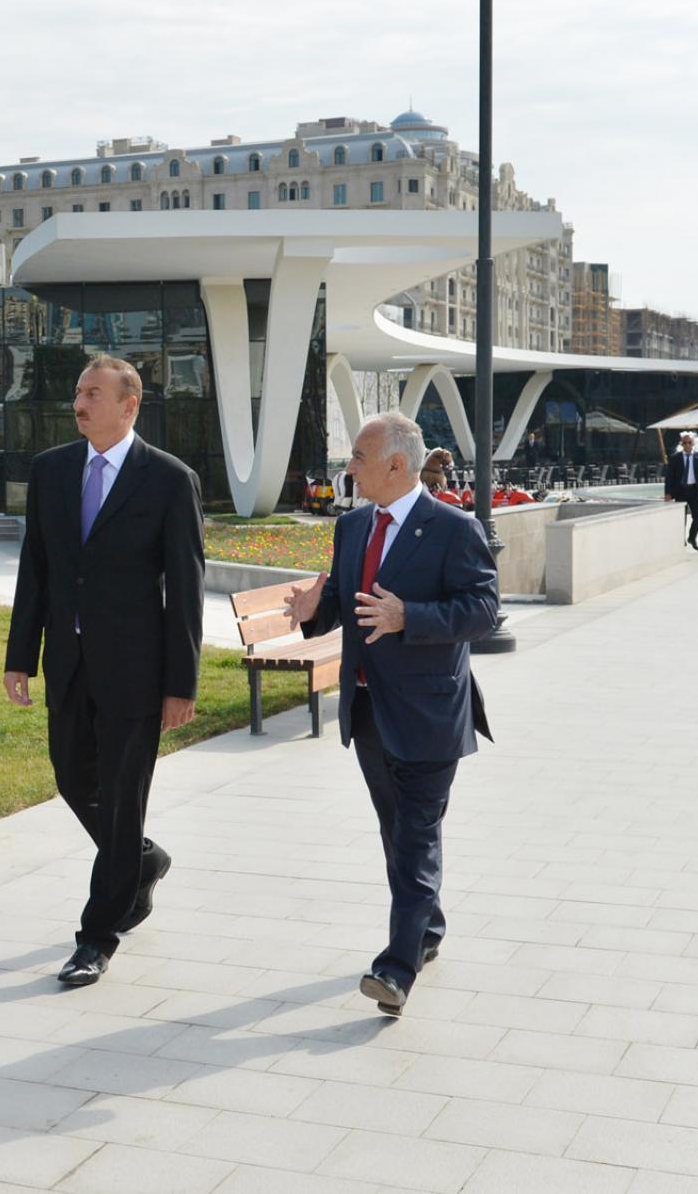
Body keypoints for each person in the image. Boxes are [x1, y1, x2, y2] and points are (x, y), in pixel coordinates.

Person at [285, 413, 498, 1015]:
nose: (347, 468)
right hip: (369, 709)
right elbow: (341, 602)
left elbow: (483, 609)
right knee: (395, 830)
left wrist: (414, 617)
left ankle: (396, 967)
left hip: (430, 712)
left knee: (414, 837)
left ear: (396, 466)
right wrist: (310, 608)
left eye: (356, 456)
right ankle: (425, 929)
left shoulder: (454, 528)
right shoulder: (353, 526)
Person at [4, 354, 205, 988]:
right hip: (68, 662)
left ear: (129, 405)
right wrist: (19, 656)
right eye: (77, 392)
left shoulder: (170, 480)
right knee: (71, 777)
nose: (80, 403)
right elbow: (35, 569)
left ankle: (97, 935)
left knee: (122, 800)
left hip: (137, 672)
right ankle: (141, 860)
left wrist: (181, 683)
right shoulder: (51, 472)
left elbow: (187, 588)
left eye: (93, 393)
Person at [664, 432, 698, 550]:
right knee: (681, 518)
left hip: (694, 491)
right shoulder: (675, 458)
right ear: (681, 444)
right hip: (680, 490)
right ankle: (681, 540)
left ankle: (692, 537)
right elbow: (669, 477)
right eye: (684, 443)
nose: (687, 445)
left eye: (689, 443)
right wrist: (668, 493)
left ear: (693, 444)